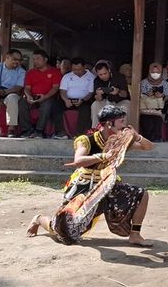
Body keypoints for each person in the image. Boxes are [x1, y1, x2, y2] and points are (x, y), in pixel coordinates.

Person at [26, 105, 154, 246]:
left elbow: (147, 147)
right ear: (109, 124)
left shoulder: (120, 140)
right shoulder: (86, 140)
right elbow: (78, 161)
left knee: (142, 194)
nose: (124, 126)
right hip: (84, 185)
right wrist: (104, 156)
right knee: (65, 232)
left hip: (107, 184)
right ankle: (39, 219)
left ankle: (135, 235)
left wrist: (138, 136)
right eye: (121, 121)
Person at [23, 50, 64, 138]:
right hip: (33, 96)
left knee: (47, 104)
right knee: (21, 103)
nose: (35, 61)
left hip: (48, 97)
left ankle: (39, 131)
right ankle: (26, 130)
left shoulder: (55, 71)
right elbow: (27, 88)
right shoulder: (30, 72)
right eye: (34, 59)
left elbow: (55, 87)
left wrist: (45, 97)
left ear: (45, 59)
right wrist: (28, 96)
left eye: (38, 59)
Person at [59, 57, 96, 136]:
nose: (76, 71)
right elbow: (62, 91)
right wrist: (66, 100)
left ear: (84, 66)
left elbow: (90, 93)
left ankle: (79, 133)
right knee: (55, 107)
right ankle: (61, 132)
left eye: (79, 69)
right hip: (68, 100)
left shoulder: (91, 77)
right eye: (74, 69)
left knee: (86, 109)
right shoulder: (67, 76)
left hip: (84, 100)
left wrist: (82, 100)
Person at [91, 61, 131, 127]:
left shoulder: (119, 77)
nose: (103, 76)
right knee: (95, 104)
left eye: (105, 73)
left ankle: (123, 131)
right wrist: (98, 95)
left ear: (109, 70)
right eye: (100, 75)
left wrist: (117, 91)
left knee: (126, 107)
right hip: (106, 102)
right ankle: (96, 130)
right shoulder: (97, 80)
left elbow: (125, 94)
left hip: (120, 101)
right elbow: (98, 99)